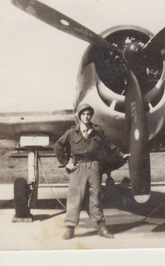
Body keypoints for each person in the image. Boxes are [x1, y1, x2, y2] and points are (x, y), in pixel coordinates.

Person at [54, 103, 129, 240]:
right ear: (79, 116)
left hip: (94, 167)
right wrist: (66, 163)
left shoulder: (97, 131)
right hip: (78, 167)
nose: (86, 116)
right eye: (83, 114)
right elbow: (58, 147)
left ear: (91, 115)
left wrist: (122, 155)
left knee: (96, 196)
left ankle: (101, 227)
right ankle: (70, 228)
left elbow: (108, 145)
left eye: (88, 114)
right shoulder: (71, 133)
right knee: (74, 198)